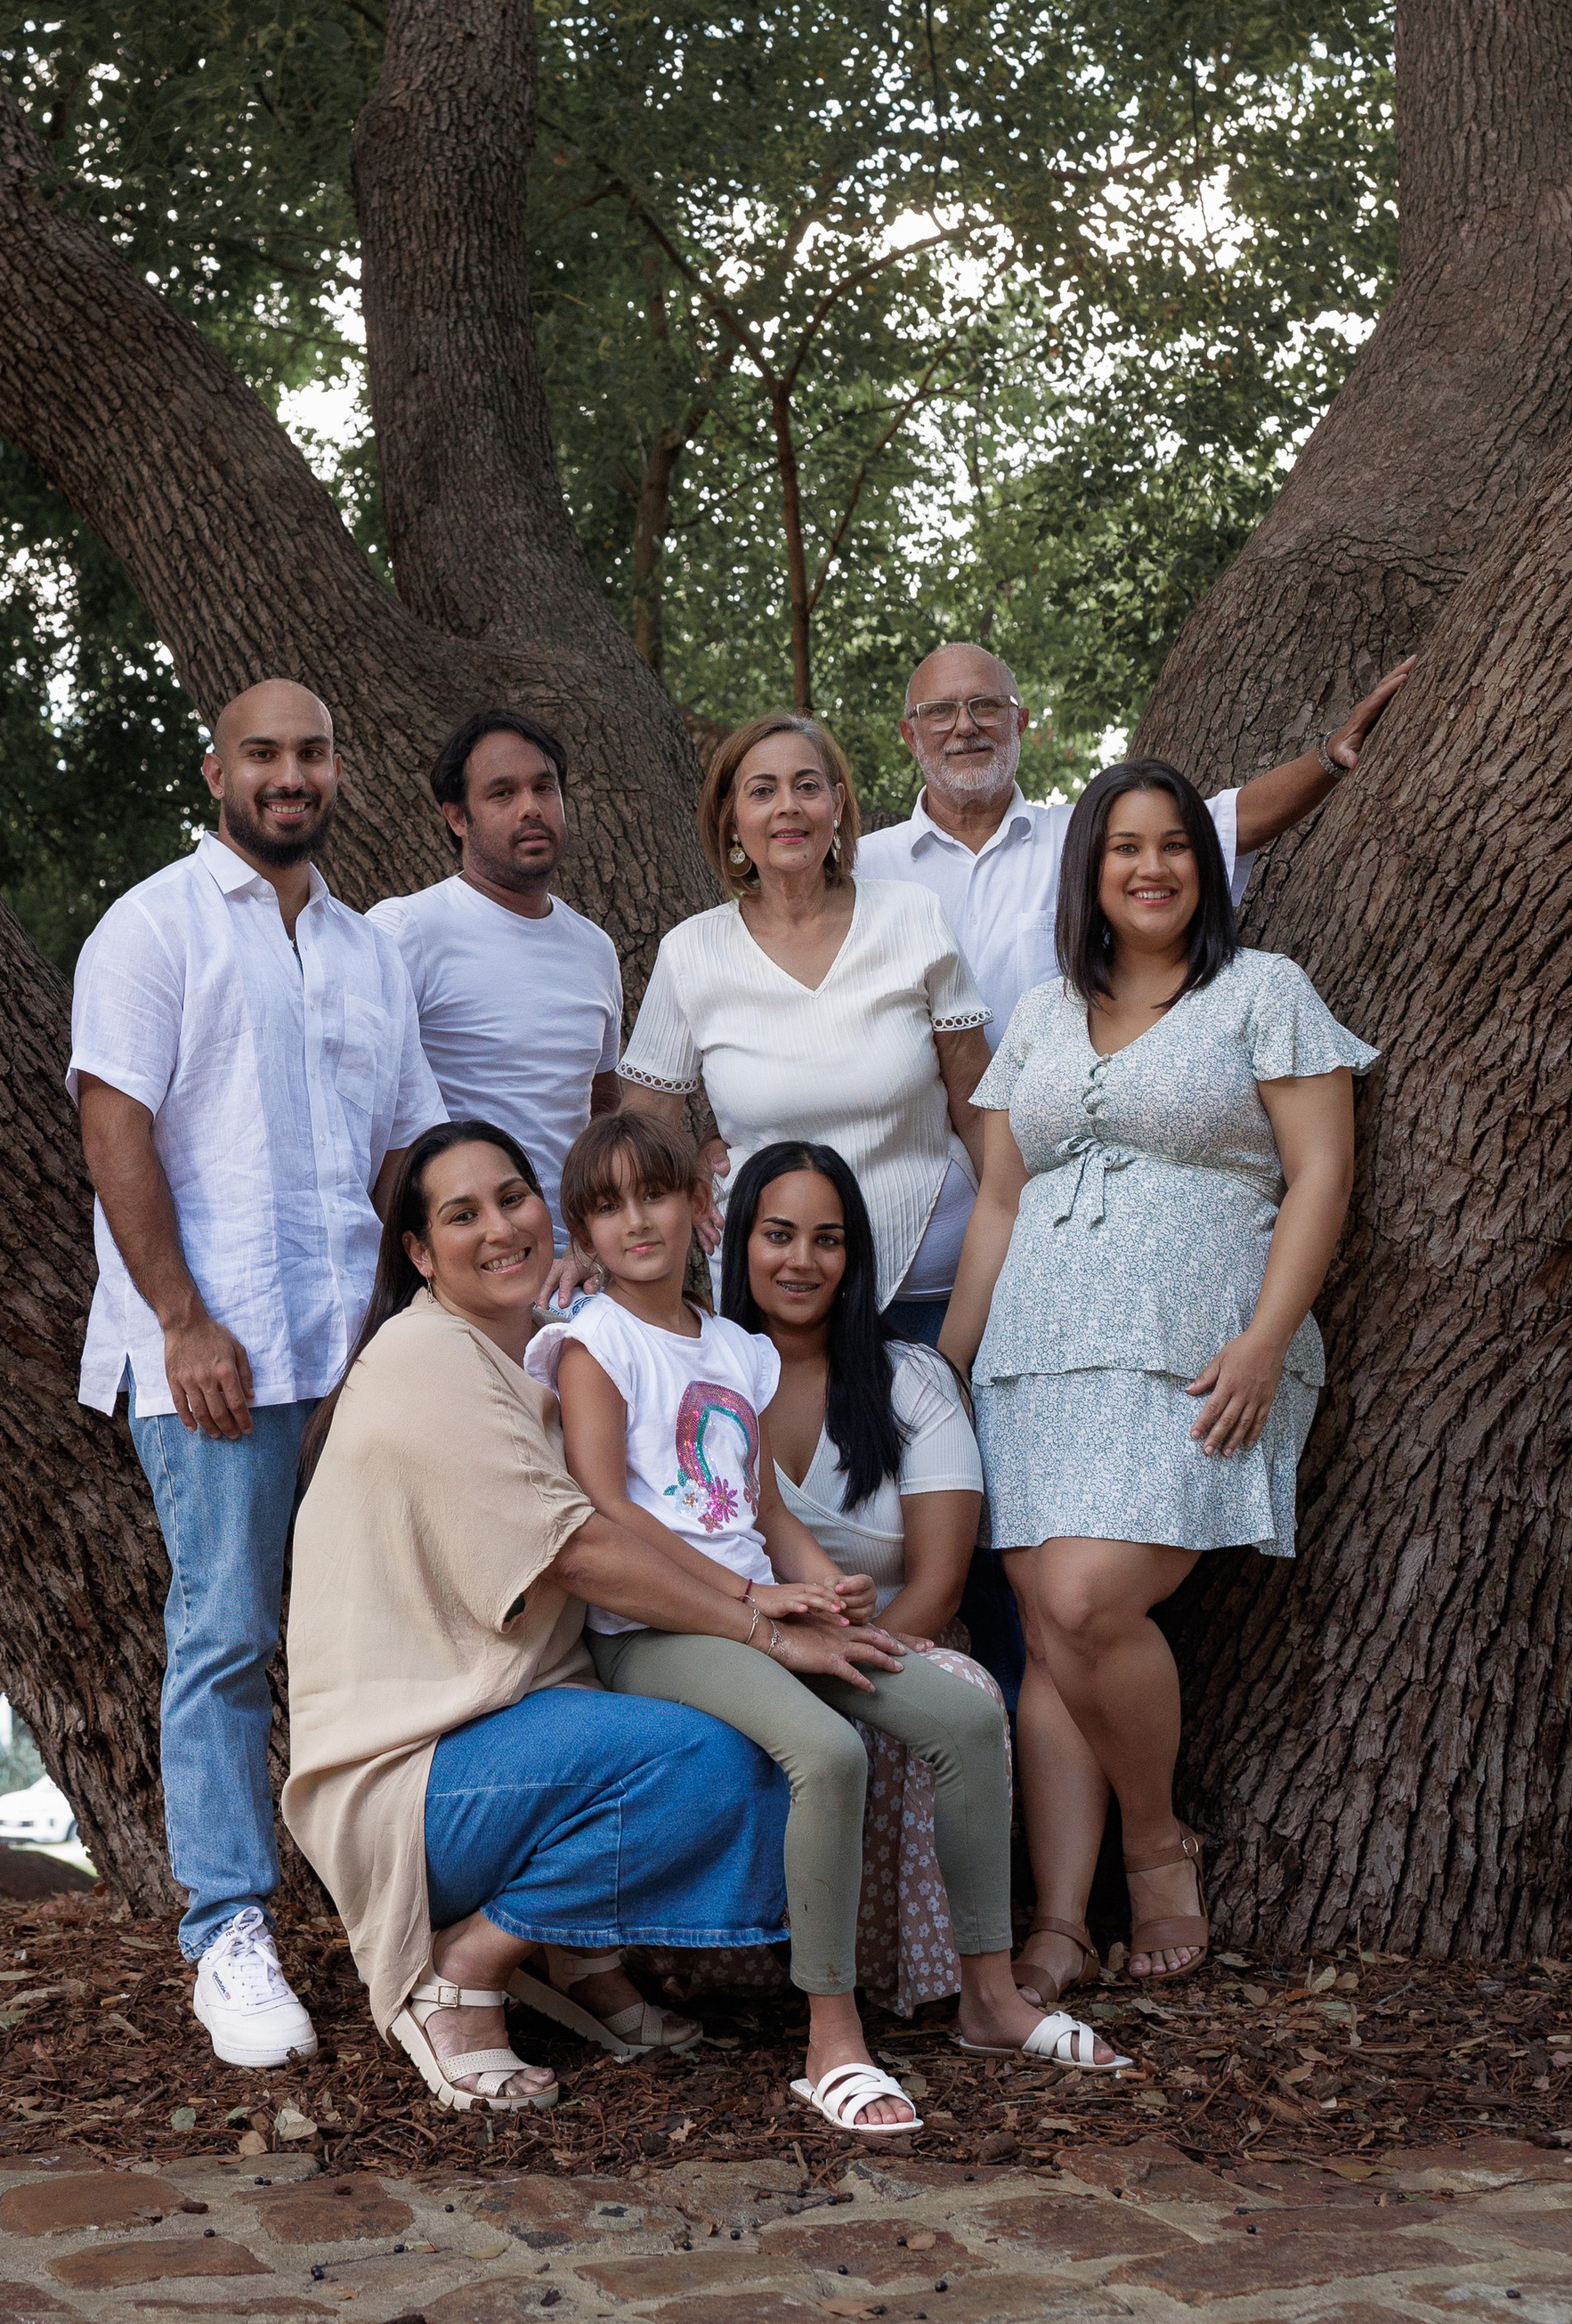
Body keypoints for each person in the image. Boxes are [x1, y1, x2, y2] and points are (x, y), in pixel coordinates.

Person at [531, 1107, 1123, 2141]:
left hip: (761, 1613)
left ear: (699, 1211)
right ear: (582, 1235)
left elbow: (758, 1509)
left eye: (656, 1195)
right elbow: (609, 1512)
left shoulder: (730, 1351)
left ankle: (989, 1997)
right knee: (828, 1750)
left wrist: (821, 1590)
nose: (636, 1222)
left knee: (959, 1711)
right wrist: (748, 1601)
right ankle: (831, 2040)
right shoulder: (594, 1343)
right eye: (607, 1208)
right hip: (658, 1633)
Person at [940, 759, 1375, 1992]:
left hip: (1196, 1353)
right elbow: (999, 1206)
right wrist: (947, 1375)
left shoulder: (1263, 994)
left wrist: (1263, 1337)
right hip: (1033, 1360)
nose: (1152, 867)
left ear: (1208, 865)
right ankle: (1064, 1920)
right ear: (1088, 872)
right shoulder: (1035, 1015)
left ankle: (1157, 1847)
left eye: (1176, 845)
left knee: (1084, 1601)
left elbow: (1321, 1180)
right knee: (1047, 1625)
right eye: (1124, 846)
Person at [282, 1121, 819, 2113]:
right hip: (410, 1779)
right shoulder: (424, 1357)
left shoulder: (521, 1361)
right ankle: (464, 1970)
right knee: (717, 1756)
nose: (500, 1227)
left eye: (513, 1196)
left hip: (494, 1744)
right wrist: (758, 1623)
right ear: (416, 1253)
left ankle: (576, 1958)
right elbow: (582, 1550)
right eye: (461, 1214)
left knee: (703, 1721)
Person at [71, 680, 444, 2073]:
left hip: (348, 1356)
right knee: (227, 1636)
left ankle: (407, 1921)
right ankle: (226, 1934)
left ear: (338, 770)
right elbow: (117, 1127)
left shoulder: (366, 951)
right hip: (212, 1357)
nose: (292, 776)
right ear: (217, 769)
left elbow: (400, 1151)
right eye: (266, 755)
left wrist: (389, 1335)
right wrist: (180, 1318)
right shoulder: (152, 925)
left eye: (314, 753)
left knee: (381, 1637)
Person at [859, 644, 1410, 1335]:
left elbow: (1221, 828)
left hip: (1058, 1215)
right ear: (909, 734)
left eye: (985, 706)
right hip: (903, 1227)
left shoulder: (1088, 842)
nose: (963, 726)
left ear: (1021, 720)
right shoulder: (858, 869)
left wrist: (1329, 758)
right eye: (938, 711)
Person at [722, 1140, 1008, 2017]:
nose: (800, 1261)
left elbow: (940, 1584)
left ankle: (923, 1977)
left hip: (897, 1644)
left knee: (956, 1687)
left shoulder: (910, 1379)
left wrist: (852, 1652)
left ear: (854, 1258)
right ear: (739, 1246)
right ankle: (740, 1969)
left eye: (827, 1239)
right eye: (777, 1235)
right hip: (748, 1651)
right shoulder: (704, 1376)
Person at [617, 714, 991, 1321]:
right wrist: (688, 1178)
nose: (787, 807)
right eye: (762, 791)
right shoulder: (691, 953)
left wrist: (1021, 1240)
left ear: (837, 805)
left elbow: (977, 1107)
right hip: (774, 1297)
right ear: (731, 818)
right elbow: (639, 1129)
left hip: (936, 1290)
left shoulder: (913, 916)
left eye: (808, 786)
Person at [369, 711, 623, 1239]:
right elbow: (353, 1106)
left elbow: (601, 1106)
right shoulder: (406, 930)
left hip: (570, 1269)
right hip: (453, 1264)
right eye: (502, 794)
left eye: (544, 788)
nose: (531, 808)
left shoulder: (595, 948)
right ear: (457, 818)